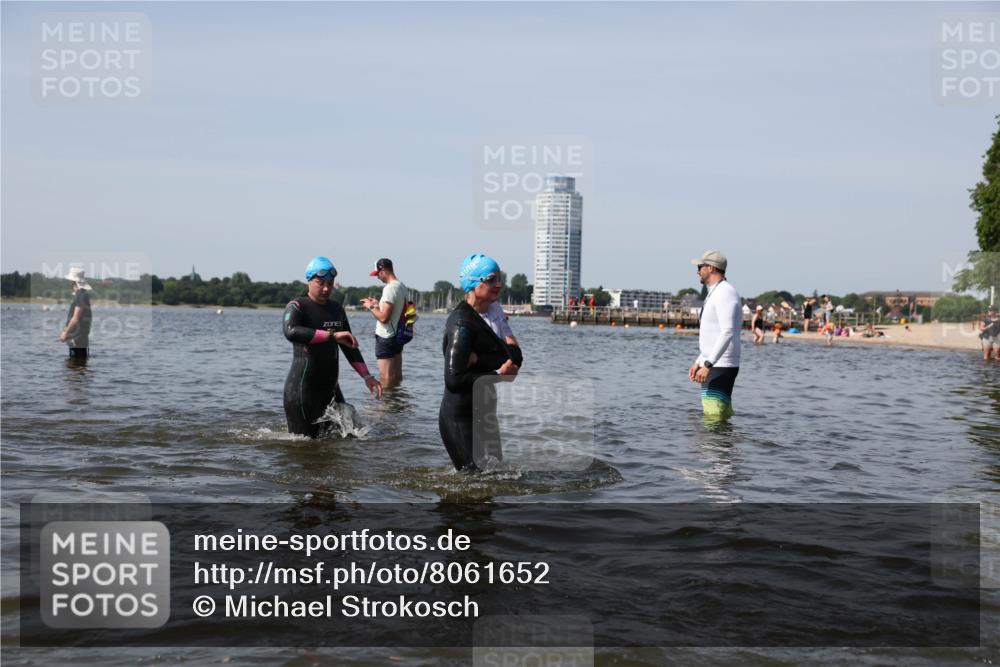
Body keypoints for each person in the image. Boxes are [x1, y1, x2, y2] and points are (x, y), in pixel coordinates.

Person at [439, 253, 522, 471]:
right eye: (492, 279)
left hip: (486, 413)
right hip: (460, 415)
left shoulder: (495, 311)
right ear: (474, 284)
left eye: (500, 278)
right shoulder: (461, 323)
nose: (499, 284)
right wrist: (498, 373)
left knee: (496, 475)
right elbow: (454, 380)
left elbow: (516, 357)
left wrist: (480, 359)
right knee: (473, 480)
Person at [283, 256, 381, 438]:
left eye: (330, 283)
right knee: (305, 445)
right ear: (309, 281)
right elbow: (291, 332)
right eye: (321, 283)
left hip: (330, 389)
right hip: (303, 391)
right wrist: (332, 336)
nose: (326, 288)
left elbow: (349, 345)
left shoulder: (336, 309)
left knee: (351, 437)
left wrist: (367, 376)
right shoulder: (297, 306)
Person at [687, 250, 741, 421]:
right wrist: (699, 360)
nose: (697, 271)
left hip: (720, 364)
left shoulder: (725, 292)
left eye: (700, 266)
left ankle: (718, 440)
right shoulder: (715, 291)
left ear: (710, 268)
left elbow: (727, 332)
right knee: (717, 415)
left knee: (714, 418)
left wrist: (708, 364)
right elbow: (713, 333)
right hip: (713, 362)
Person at [360, 258, 407, 388]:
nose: (377, 277)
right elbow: (396, 311)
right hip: (398, 336)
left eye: (377, 274)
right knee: (397, 377)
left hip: (386, 337)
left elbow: (384, 318)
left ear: (383, 270)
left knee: (386, 379)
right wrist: (378, 304)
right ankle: (396, 399)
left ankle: (386, 400)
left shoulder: (389, 288)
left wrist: (370, 306)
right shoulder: (402, 286)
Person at [59, 267, 93, 363]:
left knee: (75, 366)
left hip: (77, 338)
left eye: (70, 281)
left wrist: (65, 333)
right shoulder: (81, 294)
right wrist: (66, 330)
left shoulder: (81, 295)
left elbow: (75, 318)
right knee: (79, 366)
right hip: (79, 337)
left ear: (73, 281)